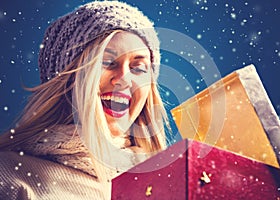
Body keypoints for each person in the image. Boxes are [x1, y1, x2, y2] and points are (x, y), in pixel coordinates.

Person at [0, 1, 170, 199]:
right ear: (67, 77)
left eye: (138, 68)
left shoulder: (163, 185)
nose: (124, 79)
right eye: (106, 61)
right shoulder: (11, 177)